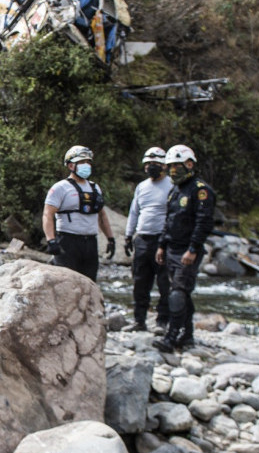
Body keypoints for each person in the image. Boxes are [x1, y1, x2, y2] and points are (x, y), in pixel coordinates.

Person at [152, 144, 216, 352]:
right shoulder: (175, 191)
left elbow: (203, 222)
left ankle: (172, 336)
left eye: (176, 166)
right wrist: (162, 245)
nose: (172, 170)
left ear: (189, 164)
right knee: (182, 293)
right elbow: (169, 220)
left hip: (188, 251)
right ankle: (187, 335)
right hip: (171, 248)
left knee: (177, 292)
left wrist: (193, 249)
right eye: (169, 166)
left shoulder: (201, 190)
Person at [42, 145, 115, 282]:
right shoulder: (60, 188)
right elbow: (47, 214)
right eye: (82, 162)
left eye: (88, 162)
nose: (86, 165)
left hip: (90, 243)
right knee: (66, 282)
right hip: (68, 241)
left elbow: (102, 215)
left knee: (89, 283)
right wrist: (51, 240)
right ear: (71, 166)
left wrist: (110, 238)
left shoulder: (95, 187)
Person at [122, 147, 173, 333]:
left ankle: (162, 322)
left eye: (155, 164)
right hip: (142, 239)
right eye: (148, 164)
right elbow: (134, 212)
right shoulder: (142, 187)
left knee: (164, 283)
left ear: (164, 166)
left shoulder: (172, 185)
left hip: (163, 240)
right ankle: (139, 320)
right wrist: (128, 235)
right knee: (140, 282)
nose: (151, 167)